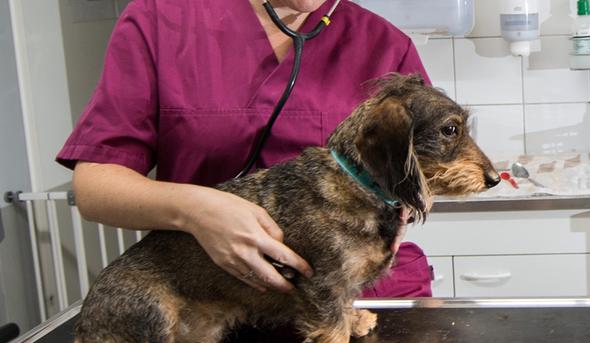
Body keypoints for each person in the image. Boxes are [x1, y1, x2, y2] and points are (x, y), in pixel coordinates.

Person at [56, 0, 433, 297]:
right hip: (212, 297)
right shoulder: (159, 21)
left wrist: (411, 196)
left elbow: (429, 168)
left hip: (354, 294)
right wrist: (196, 211)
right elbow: (95, 188)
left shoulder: (385, 46)